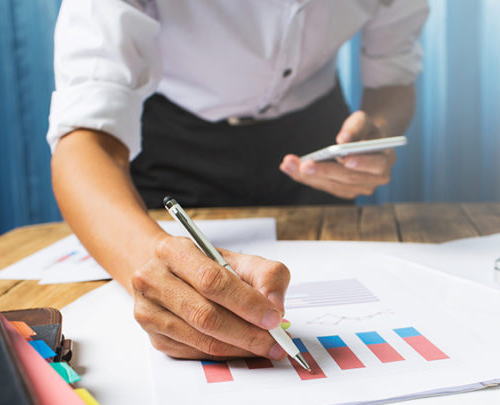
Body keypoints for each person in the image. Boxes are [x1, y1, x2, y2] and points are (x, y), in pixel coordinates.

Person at [47, 0, 429, 361]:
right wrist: (150, 262)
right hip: (175, 140)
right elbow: (84, 140)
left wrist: (376, 134)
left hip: (317, 136)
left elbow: (392, 81)